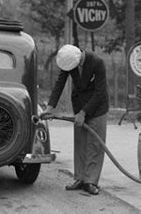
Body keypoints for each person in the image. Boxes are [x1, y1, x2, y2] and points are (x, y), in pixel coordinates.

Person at [42, 44, 109, 195]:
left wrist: (84, 113)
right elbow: (60, 83)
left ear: (79, 60)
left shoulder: (97, 62)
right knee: (80, 142)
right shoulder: (69, 61)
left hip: (98, 106)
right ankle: (79, 178)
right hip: (79, 103)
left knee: (94, 144)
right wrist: (50, 107)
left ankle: (90, 181)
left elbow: (100, 92)